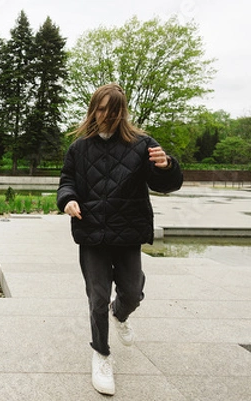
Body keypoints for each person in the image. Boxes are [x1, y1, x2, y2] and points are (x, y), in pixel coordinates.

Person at [57, 83, 183, 396]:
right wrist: (68, 200)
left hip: (127, 232)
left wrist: (167, 166)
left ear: (121, 112)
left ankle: (120, 314)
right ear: (93, 109)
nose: (107, 116)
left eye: (113, 111)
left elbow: (164, 184)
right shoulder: (79, 148)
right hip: (93, 234)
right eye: (101, 109)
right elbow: (66, 182)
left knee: (133, 293)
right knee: (97, 298)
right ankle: (101, 354)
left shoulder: (142, 144)